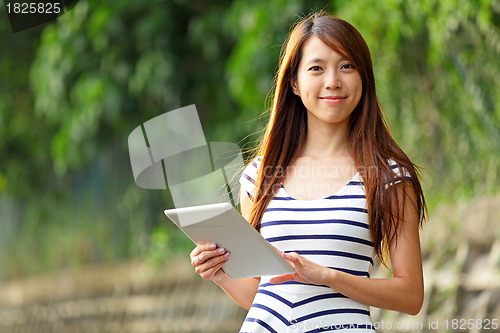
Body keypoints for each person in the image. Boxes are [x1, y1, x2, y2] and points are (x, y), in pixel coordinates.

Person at [189, 12, 426, 332]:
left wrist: (326, 276)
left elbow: (411, 295)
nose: (333, 81)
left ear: (363, 77)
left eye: (347, 66)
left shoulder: (388, 177)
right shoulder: (259, 176)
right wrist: (220, 275)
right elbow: (264, 292)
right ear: (294, 83)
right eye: (316, 68)